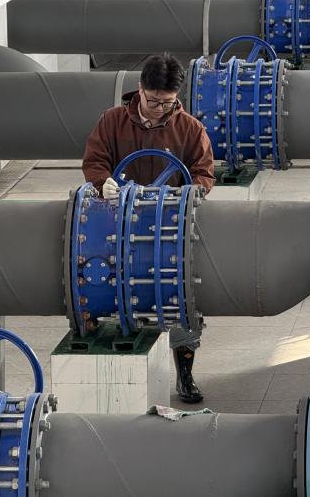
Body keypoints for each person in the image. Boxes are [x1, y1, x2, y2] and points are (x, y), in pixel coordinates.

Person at [82, 53, 216, 404]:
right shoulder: (112, 122)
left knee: (181, 293)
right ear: (140, 89)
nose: (159, 109)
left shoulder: (190, 129)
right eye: (153, 101)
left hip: (170, 227)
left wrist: (190, 192)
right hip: (119, 225)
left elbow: (204, 172)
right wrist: (102, 183)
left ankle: (184, 373)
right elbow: (95, 160)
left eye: (167, 103)